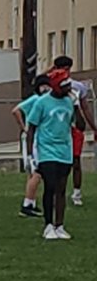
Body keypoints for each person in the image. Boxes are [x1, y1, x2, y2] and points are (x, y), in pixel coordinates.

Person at [27, 68, 76, 240]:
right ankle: (48, 225)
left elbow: (76, 124)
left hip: (65, 150)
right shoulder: (42, 103)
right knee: (50, 186)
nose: (68, 88)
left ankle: (60, 225)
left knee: (61, 188)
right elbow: (31, 128)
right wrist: (30, 155)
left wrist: (77, 104)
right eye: (64, 85)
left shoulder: (69, 102)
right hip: (47, 150)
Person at [52, 56, 95, 207]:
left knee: (76, 160)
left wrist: (94, 127)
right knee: (58, 162)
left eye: (67, 68)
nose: (65, 71)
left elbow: (85, 108)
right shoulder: (52, 86)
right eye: (61, 68)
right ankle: (56, 190)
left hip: (75, 127)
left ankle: (77, 192)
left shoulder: (77, 87)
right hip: (59, 127)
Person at [12, 73, 50, 218]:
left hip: (37, 138)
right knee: (37, 172)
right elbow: (16, 110)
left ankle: (31, 202)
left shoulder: (44, 100)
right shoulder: (35, 99)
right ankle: (27, 204)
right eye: (43, 85)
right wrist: (24, 127)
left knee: (32, 173)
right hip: (31, 139)